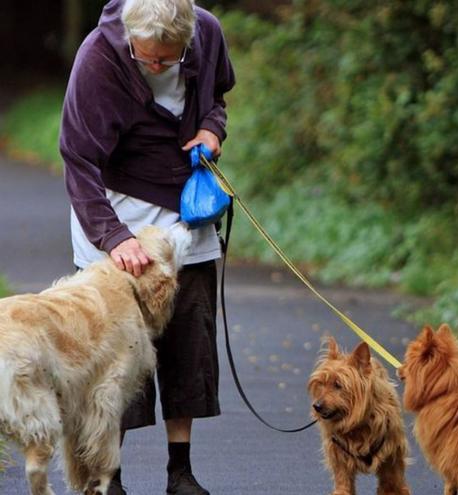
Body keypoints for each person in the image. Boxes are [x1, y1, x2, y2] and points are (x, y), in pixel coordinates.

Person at [59, 0, 235, 493]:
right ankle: (108, 475)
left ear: (189, 38)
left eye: (168, 58)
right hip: (113, 208)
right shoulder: (98, 57)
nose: (157, 66)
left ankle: (181, 471)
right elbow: (77, 158)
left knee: (188, 340)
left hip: (185, 208)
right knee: (116, 355)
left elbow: (217, 97)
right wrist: (114, 238)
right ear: (129, 37)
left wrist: (211, 128)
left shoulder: (209, 34)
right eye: (147, 58)